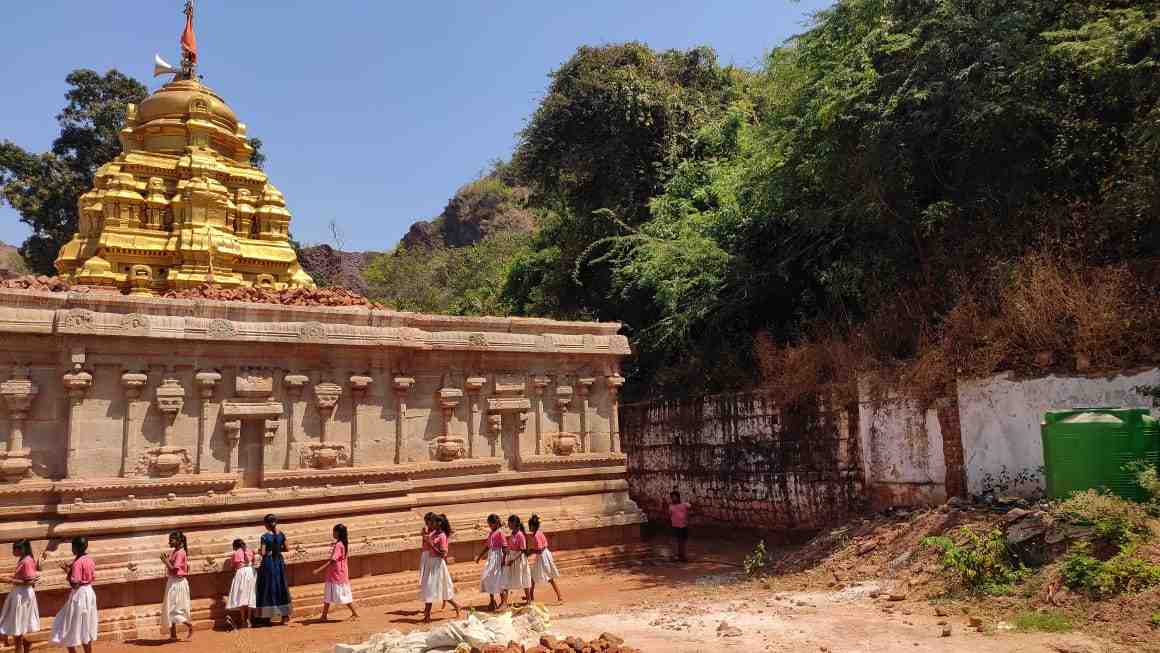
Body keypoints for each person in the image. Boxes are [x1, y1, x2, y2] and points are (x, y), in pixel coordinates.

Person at [51, 536, 98, 653]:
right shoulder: (89, 559)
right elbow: (90, 576)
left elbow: (75, 584)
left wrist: (68, 572)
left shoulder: (77, 563)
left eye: (73, 546)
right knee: (85, 628)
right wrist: (70, 570)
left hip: (79, 595)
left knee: (66, 627)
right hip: (89, 592)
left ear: (76, 547)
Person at [0, 540, 40, 653]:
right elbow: (23, 577)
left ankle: (21, 647)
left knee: (16, 628)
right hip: (20, 593)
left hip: (22, 596)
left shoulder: (26, 561)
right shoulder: (24, 560)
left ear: (23, 549)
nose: (14, 551)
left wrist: (8, 580)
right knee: (16, 626)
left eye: (16, 549)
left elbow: (29, 581)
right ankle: (26, 644)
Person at [313, 524, 358, 622]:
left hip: (336, 574)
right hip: (337, 573)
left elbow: (332, 561)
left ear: (338, 533)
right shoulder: (343, 544)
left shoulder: (338, 545)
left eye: (334, 531)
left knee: (341, 595)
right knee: (329, 595)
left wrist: (319, 569)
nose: (333, 533)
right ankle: (324, 616)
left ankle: (354, 612)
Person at [421, 515, 461, 623]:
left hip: (438, 564)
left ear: (439, 524)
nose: (431, 524)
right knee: (430, 589)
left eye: (433, 522)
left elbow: (443, 554)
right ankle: (428, 615)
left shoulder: (443, 536)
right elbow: (427, 545)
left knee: (433, 589)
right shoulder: (433, 533)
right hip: (431, 563)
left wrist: (431, 545)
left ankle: (428, 616)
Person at [255, 514, 292, 625]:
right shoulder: (281, 535)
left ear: (266, 524)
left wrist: (259, 551)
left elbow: (262, 552)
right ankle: (284, 615)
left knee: (267, 587)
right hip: (279, 562)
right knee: (280, 586)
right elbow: (287, 548)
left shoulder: (265, 537)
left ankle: (267, 617)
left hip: (268, 563)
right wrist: (277, 549)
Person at [159, 531, 193, 641]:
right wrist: (167, 560)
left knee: (174, 609)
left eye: (172, 540)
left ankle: (189, 626)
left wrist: (165, 561)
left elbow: (174, 569)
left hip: (177, 583)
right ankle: (173, 635)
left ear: (179, 541)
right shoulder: (175, 552)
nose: (169, 542)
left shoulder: (180, 553)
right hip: (173, 582)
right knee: (170, 608)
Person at [474, 514, 507, 611]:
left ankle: (503, 602)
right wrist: (479, 556)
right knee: (488, 578)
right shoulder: (491, 533)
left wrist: (504, 560)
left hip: (498, 558)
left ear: (496, 523)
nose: (490, 526)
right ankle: (492, 601)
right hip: (491, 558)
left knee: (499, 579)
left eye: (490, 524)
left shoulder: (500, 533)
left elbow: (505, 547)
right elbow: (488, 546)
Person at [527, 514, 562, 603]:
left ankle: (560, 596)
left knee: (548, 577)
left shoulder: (536, 536)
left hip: (542, 557)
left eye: (530, 526)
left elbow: (539, 549)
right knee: (534, 576)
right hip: (543, 556)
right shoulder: (539, 533)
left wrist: (531, 551)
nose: (529, 528)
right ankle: (531, 596)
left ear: (533, 526)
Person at [225, 539, 256, 629]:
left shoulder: (235, 554)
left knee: (241, 597)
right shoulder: (250, 551)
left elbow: (233, 566)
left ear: (235, 546)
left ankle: (243, 620)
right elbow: (253, 561)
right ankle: (249, 619)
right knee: (250, 596)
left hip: (241, 573)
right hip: (250, 572)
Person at [503, 515, 531, 604]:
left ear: (514, 523)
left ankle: (529, 600)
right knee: (506, 579)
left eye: (509, 523)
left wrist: (513, 559)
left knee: (524, 579)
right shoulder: (513, 534)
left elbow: (522, 550)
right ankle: (504, 602)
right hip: (511, 557)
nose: (508, 525)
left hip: (519, 560)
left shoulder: (520, 535)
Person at [668, 490, 691, 562]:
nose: (674, 499)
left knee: (683, 541)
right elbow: (669, 516)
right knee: (676, 541)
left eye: (675, 497)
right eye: (672, 497)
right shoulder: (671, 507)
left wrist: (688, 518)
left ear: (678, 497)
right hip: (675, 526)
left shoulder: (685, 504)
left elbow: (691, 508)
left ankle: (683, 555)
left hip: (684, 526)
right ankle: (676, 555)